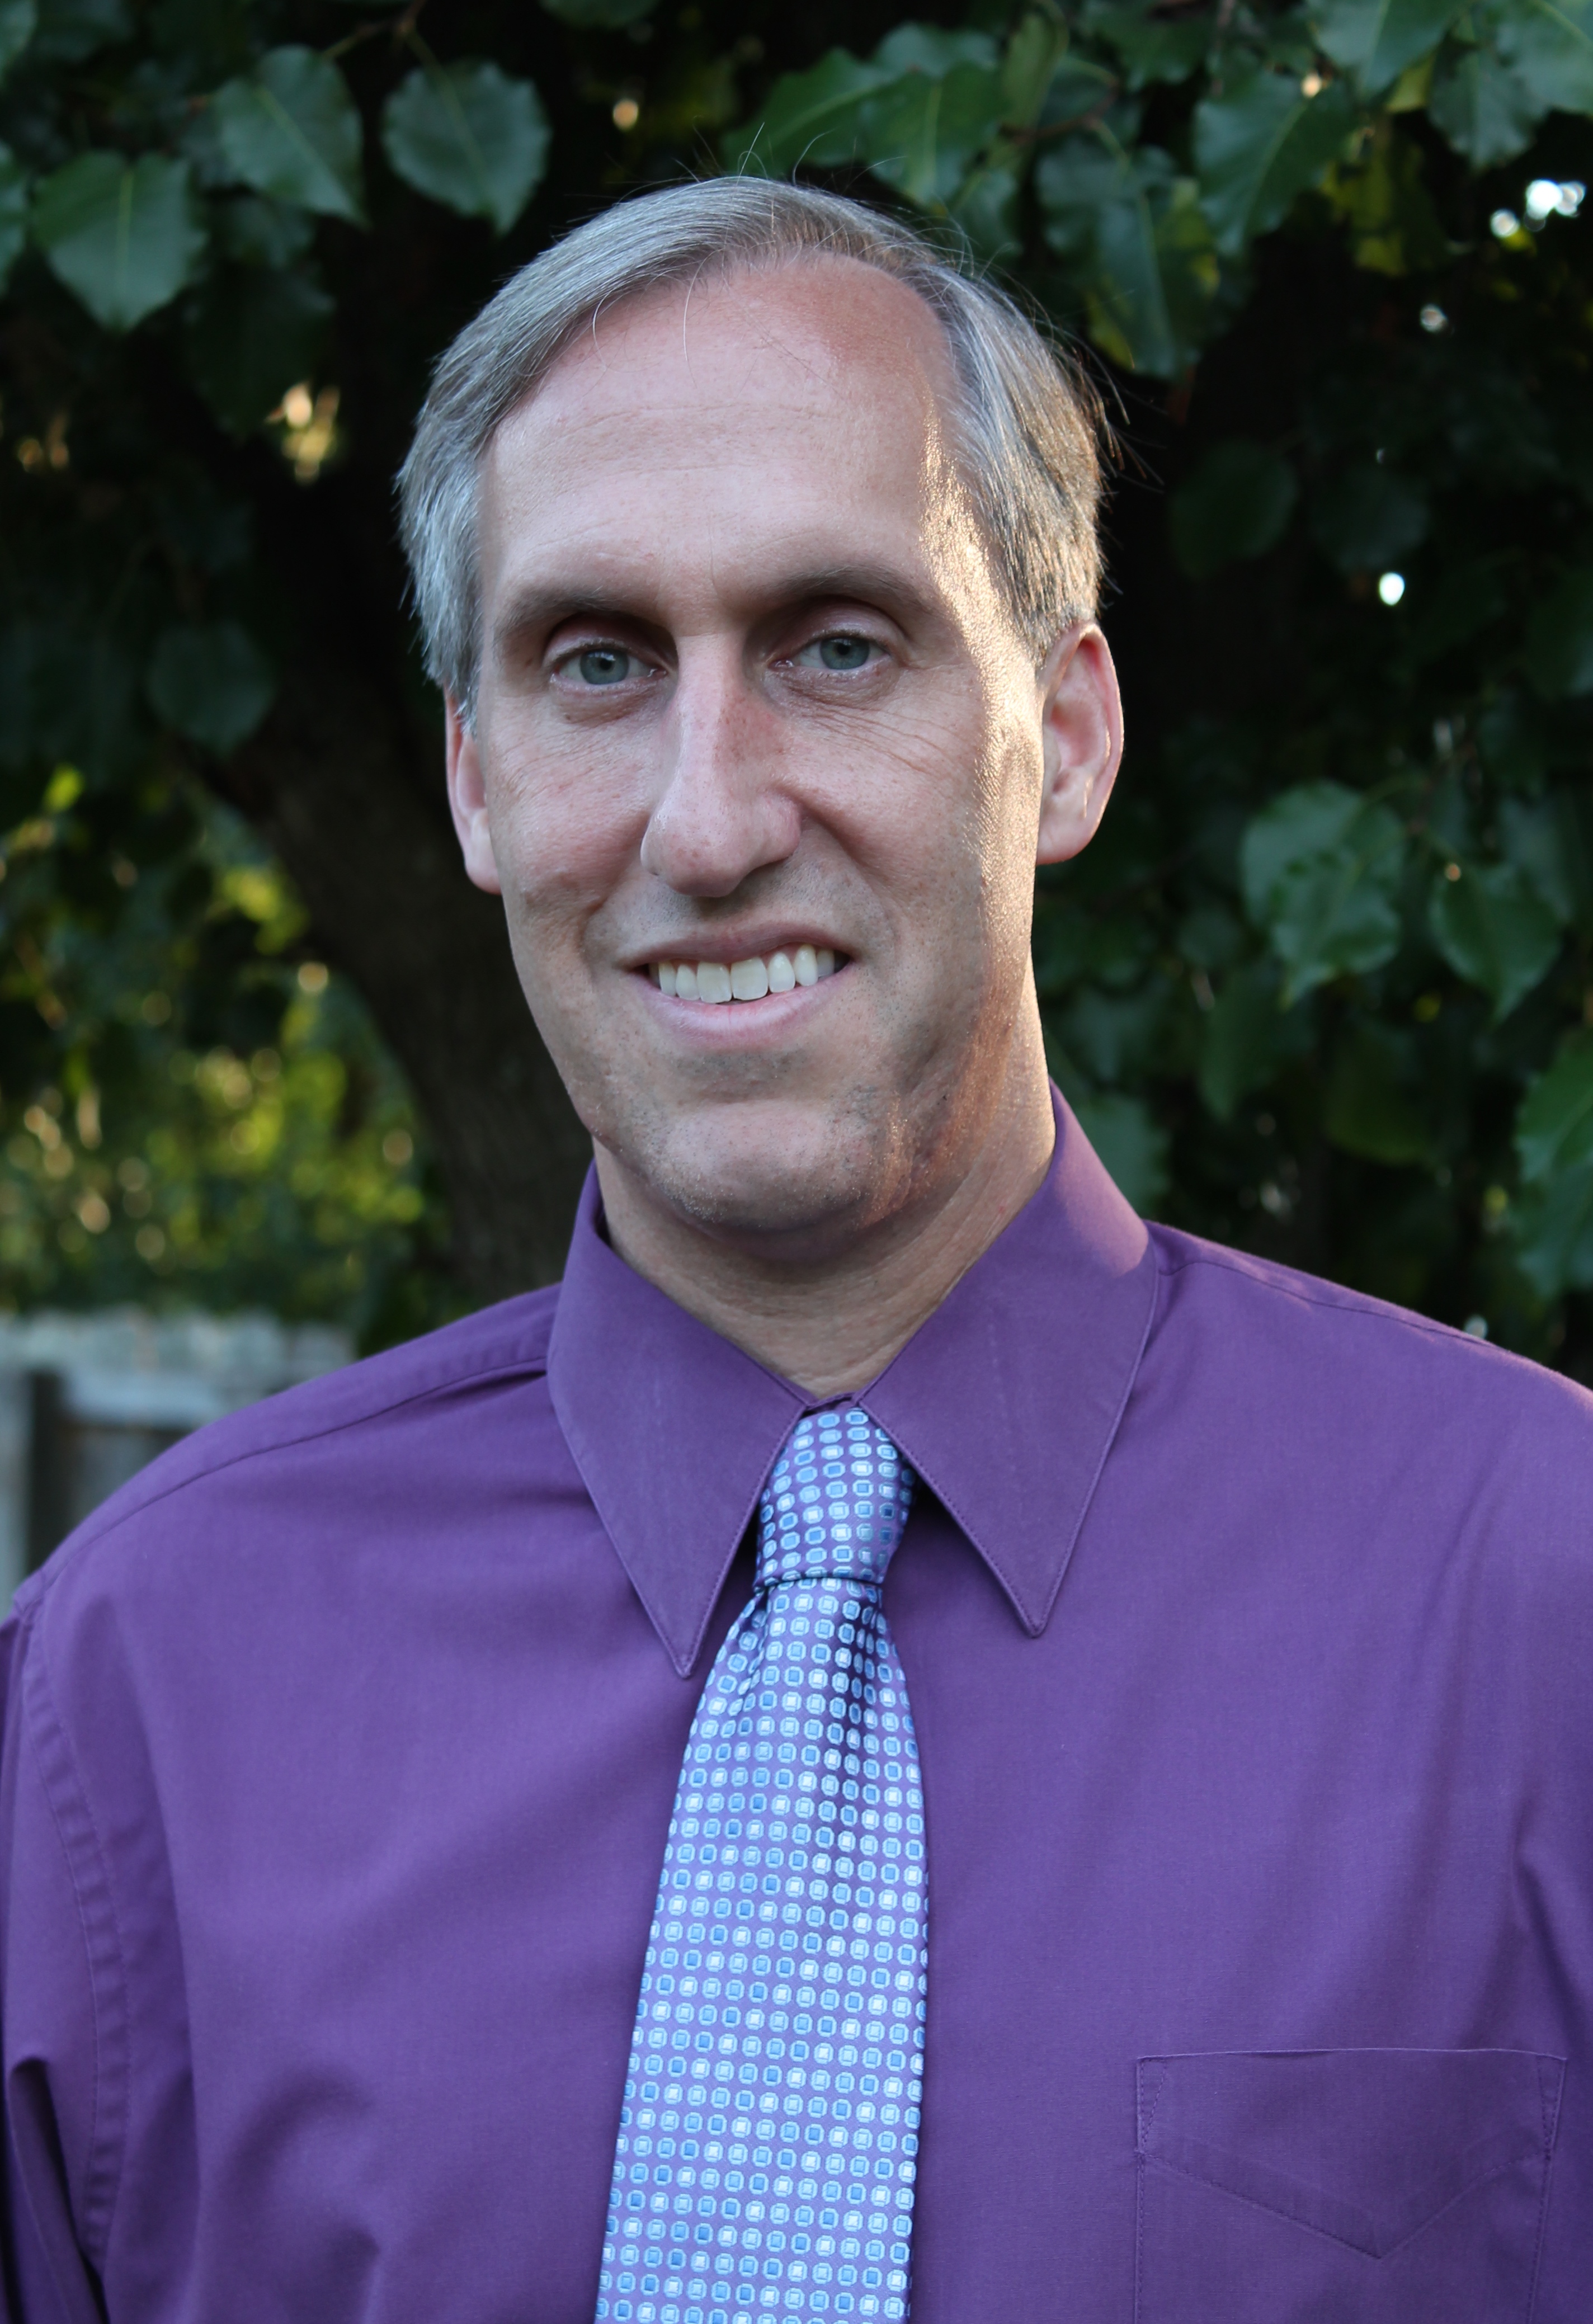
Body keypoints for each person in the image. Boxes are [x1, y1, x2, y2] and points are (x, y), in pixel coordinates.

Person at [2, 180, 1590, 2324]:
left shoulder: (1542, 1603)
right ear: (474, 786)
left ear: (1068, 739)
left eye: (838, 646)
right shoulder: (133, 1698)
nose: (711, 820)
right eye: (596, 665)